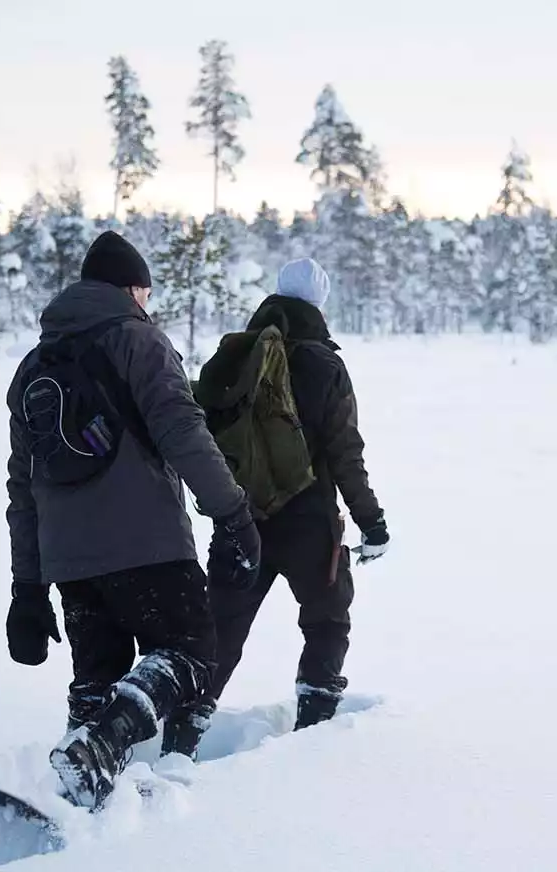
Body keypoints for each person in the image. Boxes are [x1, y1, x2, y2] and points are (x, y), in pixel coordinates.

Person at [3, 230, 260, 809]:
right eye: (146, 292)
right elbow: (183, 432)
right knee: (191, 654)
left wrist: (27, 586)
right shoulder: (138, 341)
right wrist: (233, 512)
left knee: (97, 682)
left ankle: (76, 800)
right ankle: (100, 747)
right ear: (133, 288)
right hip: (147, 545)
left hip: (70, 560)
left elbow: (23, 487)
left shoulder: (33, 365)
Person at [163, 258, 388, 759]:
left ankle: (178, 743)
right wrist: (371, 521)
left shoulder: (242, 354)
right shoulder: (326, 365)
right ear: (320, 305)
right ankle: (312, 742)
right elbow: (344, 451)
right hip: (309, 524)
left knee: (219, 631)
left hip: (241, 519)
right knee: (327, 622)